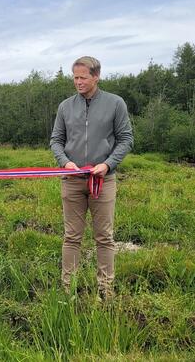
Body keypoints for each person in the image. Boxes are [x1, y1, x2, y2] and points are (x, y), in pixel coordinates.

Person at [50, 56, 133, 299]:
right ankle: (68, 291)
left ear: (96, 76)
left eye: (83, 77)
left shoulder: (115, 104)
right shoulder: (65, 107)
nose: (78, 82)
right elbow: (56, 141)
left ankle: (105, 292)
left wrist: (108, 165)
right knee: (71, 236)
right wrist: (65, 163)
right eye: (75, 77)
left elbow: (126, 139)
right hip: (72, 180)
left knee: (104, 237)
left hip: (103, 181)